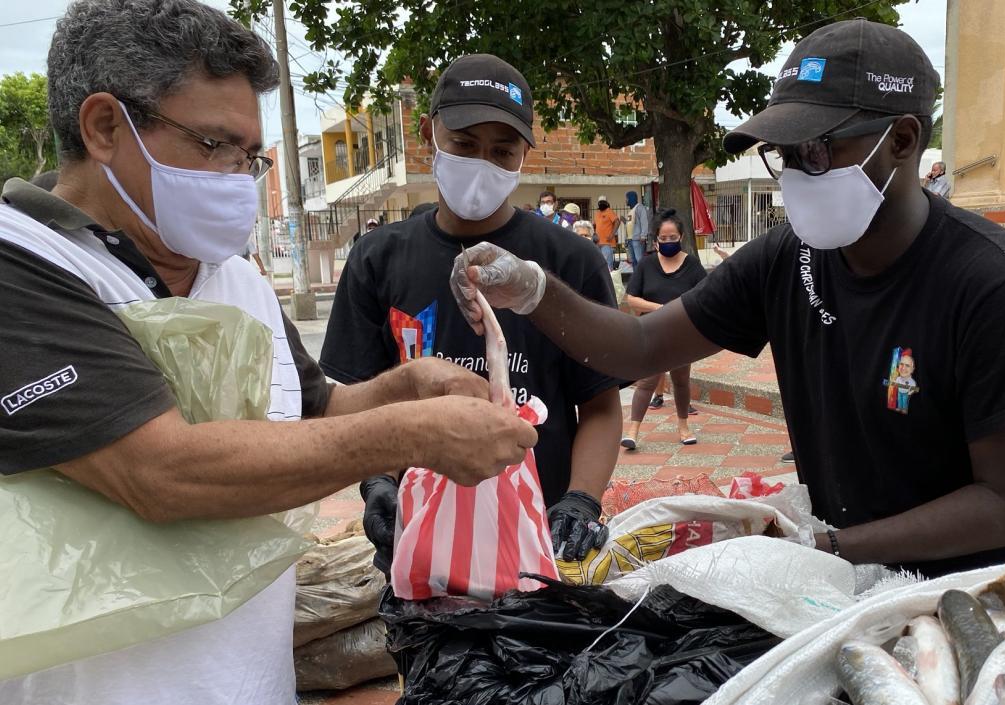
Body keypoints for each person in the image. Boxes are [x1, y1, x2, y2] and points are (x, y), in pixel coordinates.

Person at [0, 2, 536, 702]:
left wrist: (407, 385)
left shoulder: (235, 275)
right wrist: (410, 434)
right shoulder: (24, 265)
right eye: (215, 145)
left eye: (249, 157)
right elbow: (159, 472)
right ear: (105, 127)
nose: (236, 178)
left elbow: (317, 408)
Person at [452, 19, 1005, 580]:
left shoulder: (994, 285)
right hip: (848, 579)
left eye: (819, 150)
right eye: (786, 155)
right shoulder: (788, 257)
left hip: (981, 595)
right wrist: (532, 290)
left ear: (903, 141)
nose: (798, 173)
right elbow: (640, 345)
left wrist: (826, 547)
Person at [321, 54, 623, 572]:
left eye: (502, 151)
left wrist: (580, 500)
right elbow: (356, 401)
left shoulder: (569, 262)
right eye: (463, 144)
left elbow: (599, 405)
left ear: (525, 154)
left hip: (537, 543)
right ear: (428, 133)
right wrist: (378, 482)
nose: (482, 163)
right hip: (418, 541)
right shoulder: (377, 259)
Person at [620, 209, 707, 449]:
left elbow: (704, 296)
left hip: (682, 333)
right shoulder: (647, 264)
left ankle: (683, 426)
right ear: (656, 239)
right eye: (663, 238)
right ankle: (632, 431)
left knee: (681, 380)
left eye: (673, 238)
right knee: (647, 381)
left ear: (681, 237)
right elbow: (632, 299)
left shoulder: (692, 265)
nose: (668, 242)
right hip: (652, 332)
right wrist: (661, 308)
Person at [593, 195, 619, 270]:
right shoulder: (597, 213)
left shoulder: (609, 211)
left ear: (607, 203)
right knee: (599, 264)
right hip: (598, 243)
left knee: (607, 265)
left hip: (607, 243)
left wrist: (612, 235)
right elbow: (595, 225)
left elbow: (617, 222)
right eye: (600, 202)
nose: (601, 204)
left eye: (603, 202)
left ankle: (609, 277)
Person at [626, 190, 649, 267]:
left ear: (631, 198)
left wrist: (643, 235)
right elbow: (631, 224)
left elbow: (644, 221)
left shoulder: (640, 208)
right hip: (631, 239)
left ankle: (642, 275)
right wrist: (624, 221)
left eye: (627, 198)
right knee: (633, 261)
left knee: (639, 261)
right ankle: (636, 274)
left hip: (637, 239)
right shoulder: (631, 210)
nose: (626, 200)